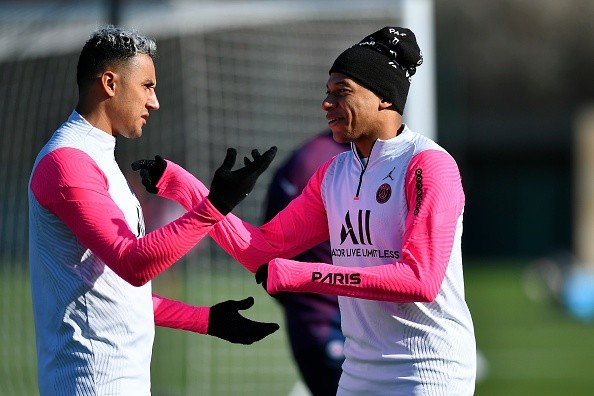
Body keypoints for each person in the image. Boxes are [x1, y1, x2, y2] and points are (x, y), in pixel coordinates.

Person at [134, 26, 476, 395]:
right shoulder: (334, 174)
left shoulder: (427, 165)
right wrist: (186, 187)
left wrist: (304, 275)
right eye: (327, 93)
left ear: (384, 99)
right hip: (357, 374)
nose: (326, 104)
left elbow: (419, 280)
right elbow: (263, 250)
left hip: (425, 373)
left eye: (341, 92)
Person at [27, 25, 278, 396]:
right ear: (110, 83)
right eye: (147, 86)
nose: (154, 101)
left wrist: (206, 320)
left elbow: (119, 293)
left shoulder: (97, 158)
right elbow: (134, 265)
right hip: (90, 384)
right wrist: (215, 206)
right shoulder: (67, 163)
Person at [262, 130, 348, 396]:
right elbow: (268, 255)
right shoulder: (316, 162)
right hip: (324, 326)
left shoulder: (373, 161)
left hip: (358, 326)